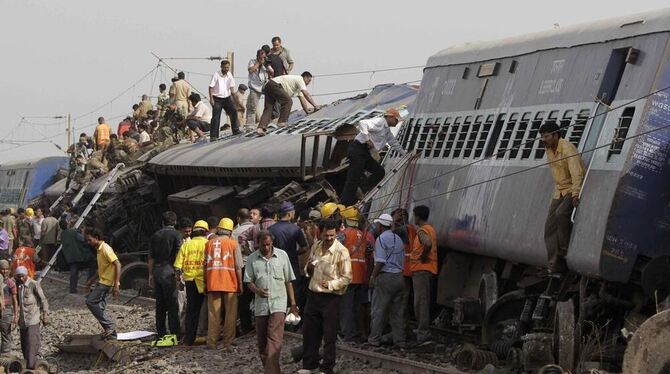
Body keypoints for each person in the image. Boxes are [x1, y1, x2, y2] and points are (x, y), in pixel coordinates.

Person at [300, 220, 352, 374]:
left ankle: (327, 367)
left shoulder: (342, 251)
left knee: (329, 335)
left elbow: (347, 277)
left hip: (331, 298)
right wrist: (308, 268)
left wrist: (330, 284)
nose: (329, 238)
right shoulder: (316, 245)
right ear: (320, 233)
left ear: (336, 234)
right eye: (326, 235)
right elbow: (308, 266)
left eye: (332, 235)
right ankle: (310, 365)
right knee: (310, 332)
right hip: (313, 295)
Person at [245, 230, 298, 374]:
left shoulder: (282, 256)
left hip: (278, 304)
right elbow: (249, 281)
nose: (266, 248)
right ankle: (273, 370)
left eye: (268, 245)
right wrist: (258, 291)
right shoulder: (252, 259)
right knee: (262, 344)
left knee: (274, 340)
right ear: (258, 244)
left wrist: (292, 304)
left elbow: (288, 281)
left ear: (272, 242)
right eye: (263, 245)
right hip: (261, 306)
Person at [540, 121, 585, 273]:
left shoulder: (567, 148)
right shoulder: (549, 149)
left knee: (561, 215)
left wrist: (576, 193)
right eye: (542, 137)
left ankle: (565, 251)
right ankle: (554, 264)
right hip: (559, 190)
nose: (543, 140)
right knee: (549, 226)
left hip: (571, 188)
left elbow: (577, 172)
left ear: (556, 135)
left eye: (546, 136)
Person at [340, 108, 408, 205]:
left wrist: (405, 153)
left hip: (365, 153)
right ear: (390, 117)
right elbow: (362, 123)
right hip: (358, 149)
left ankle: (362, 188)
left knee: (379, 172)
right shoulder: (379, 122)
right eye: (396, 120)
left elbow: (393, 142)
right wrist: (367, 139)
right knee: (353, 178)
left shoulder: (387, 131)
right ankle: (344, 204)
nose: (397, 122)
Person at [204, 218, 243, 350]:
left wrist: (205, 283)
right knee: (230, 313)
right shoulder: (233, 244)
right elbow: (238, 267)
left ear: (219, 229)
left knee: (213, 313)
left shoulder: (208, 244)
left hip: (213, 282)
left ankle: (211, 342)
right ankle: (228, 342)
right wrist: (240, 284)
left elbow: (204, 266)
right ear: (230, 232)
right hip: (229, 283)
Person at [368, 213, 406, 348]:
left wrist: (373, 277)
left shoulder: (381, 240)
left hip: (385, 277)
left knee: (379, 309)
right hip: (399, 278)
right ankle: (399, 340)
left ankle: (374, 339)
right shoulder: (399, 239)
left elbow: (380, 261)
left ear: (380, 226)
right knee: (397, 312)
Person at [338, 207, 374, 343]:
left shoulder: (343, 234)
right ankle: (361, 333)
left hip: (347, 275)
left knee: (346, 307)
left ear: (345, 220)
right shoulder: (364, 235)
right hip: (361, 274)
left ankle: (349, 335)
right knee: (358, 306)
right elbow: (370, 253)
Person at [173, 220, 208, 345]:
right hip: (204, 281)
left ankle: (189, 339)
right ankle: (203, 334)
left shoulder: (186, 245)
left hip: (189, 281)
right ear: (205, 232)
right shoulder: (208, 244)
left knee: (191, 311)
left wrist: (179, 281)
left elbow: (177, 267)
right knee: (206, 309)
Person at [148, 211, 182, 338]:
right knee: (172, 304)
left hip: (157, 271)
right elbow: (179, 254)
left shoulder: (155, 235)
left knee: (160, 303)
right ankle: (175, 333)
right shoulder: (177, 235)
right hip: (170, 271)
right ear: (175, 222)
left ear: (162, 222)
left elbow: (151, 258)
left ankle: (161, 332)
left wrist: (150, 275)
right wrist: (178, 272)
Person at [84, 227, 121, 339]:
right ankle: (111, 334)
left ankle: (110, 326)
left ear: (96, 237)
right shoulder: (99, 249)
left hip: (106, 282)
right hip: (102, 280)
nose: (88, 242)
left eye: (89, 240)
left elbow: (118, 264)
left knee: (90, 302)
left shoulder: (105, 248)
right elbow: (102, 268)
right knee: (100, 307)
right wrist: (91, 280)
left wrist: (116, 284)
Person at [410, 205, 438, 343]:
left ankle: (423, 332)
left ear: (418, 217)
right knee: (423, 301)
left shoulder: (422, 231)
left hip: (422, 270)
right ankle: (422, 329)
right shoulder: (430, 229)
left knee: (420, 302)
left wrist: (423, 257)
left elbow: (427, 244)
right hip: (426, 270)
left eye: (414, 215)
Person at [15, 266, 48, 370]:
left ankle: (31, 368)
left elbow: (43, 300)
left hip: (33, 318)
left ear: (26, 274)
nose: (21, 279)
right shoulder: (19, 286)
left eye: (22, 276)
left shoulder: (34, 284)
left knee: (32, 344)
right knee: (24, 345)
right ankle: (28, 365)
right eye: (19, 277)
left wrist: (45, 314)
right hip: (23, 320)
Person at [268, 202, 308, 282]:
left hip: (276, 265)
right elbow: (304, 248)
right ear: (289, 214)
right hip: (292, 265)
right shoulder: (296, 229)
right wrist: (294, 253)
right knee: (294, 290)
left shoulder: (271, 229)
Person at [231, 208, 256, 335]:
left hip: (243, 266)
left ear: (239, 219)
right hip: (257, 265)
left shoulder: (235, 233)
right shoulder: (257, 228)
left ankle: (246, 326)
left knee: (244, 299)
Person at [209, 60, 242, 138]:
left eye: (227, 67)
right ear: (221, 67)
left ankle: (235, 130)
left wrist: (235, 100)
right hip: (217, 99)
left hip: (227, 98)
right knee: (216, 117)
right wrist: (211, 99)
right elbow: (210, 87)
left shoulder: (229, 75)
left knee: (233, 111)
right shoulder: (216, 75)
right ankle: (214, 136)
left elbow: (232, 88)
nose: (226, 69)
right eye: (225, 67)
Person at [60, 221, 95, 294]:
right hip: (79, 255)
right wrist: (83, 232)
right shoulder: (73, 232)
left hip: (70, 257)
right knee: (93, 264)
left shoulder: (62, 234)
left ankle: (73, 289)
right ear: (67, 224)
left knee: (73, 272)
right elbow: (83, 239)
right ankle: (89, 283)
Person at [246, 49, 270, 127]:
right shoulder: (252, 61)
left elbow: (271, 72)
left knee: (267, 105)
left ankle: (265, 122)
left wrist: (266, 64)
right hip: (254, 87)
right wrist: (259, 63)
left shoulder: (266, 64)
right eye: (261, 56)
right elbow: (251, 70)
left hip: (263, 87)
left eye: (264, 57)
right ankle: (250, 125)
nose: (263, 58)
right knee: (252, 107)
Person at [0, 260, 18, 354]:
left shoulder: (11, 283)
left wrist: (16, 316)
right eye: (2, 269)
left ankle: (5, 357)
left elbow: (15, 300)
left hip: (6, 311)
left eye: (6, 269)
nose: (5, 271)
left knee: (6, 335)